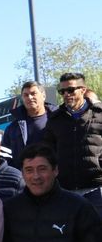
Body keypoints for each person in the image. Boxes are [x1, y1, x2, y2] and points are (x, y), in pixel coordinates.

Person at [43, 72, 102, 216]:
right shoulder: (55, 119)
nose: (66, 94)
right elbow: (48, 152)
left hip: (96, 188)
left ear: (83, 90)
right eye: (62, 91)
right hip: (66, 190)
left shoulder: (99, 114)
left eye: (70, 90)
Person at [1, 81, 57, 169]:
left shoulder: (58, 120)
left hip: (55, 174)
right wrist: (17, 174)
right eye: (26, 95)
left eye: (33, 94)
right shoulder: (13, 128)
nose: (30, 97)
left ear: (43, 95)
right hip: (24, 176)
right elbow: (5, 156)